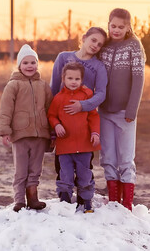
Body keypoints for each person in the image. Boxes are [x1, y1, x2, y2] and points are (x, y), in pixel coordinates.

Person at [50, 27, 108, 205]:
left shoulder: (99, 66)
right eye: (93, 40)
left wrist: (83, 105)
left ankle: (84, 198)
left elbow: (101, 93)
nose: (95, 46)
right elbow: (53, 89)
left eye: (99, 44)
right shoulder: (63, 57)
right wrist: (54, 126)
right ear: (84, 38)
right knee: (63, 165)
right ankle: (64, 198)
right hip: (63, 121)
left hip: (84, 120)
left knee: (84, 165)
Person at [99, 8, 146, 211]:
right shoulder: (105, 46)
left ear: (128, 27)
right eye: (113, 26)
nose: (116, 30)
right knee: (108, 156)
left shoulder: (134, 46)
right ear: (108, 24)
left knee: (125, 157)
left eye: (121, 27)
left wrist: (131, 110)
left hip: (125, 113)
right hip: (104, 111)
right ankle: (113, 200)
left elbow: (138, 79)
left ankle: (126, 205)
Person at [0, 44, 53, 212]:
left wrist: (51, 131)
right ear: (19, 66)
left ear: (37, 64)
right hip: (20, 135)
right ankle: (19, 200)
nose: (30, 66)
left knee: (35, 169)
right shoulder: (13, 85)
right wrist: (5, 131)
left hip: (39, 136)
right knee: (21, 170)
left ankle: (33, 198)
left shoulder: (43, 85)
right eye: (26, 63)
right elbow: (5, 109)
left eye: (33, 62)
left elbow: (50, 108)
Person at [48, 62, 101, 213]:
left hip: (84, 145)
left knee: (85, 174)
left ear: (82, 80)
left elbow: (93, 116)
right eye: (70, 78)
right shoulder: (58, 98)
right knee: (65, 174)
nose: (73, 82)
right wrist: (56, 124)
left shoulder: (87, 95)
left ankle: (86, 200)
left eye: (77, 79)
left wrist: (95, 133)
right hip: (65, 146)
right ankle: (65, 201)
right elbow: (51, 115)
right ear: (63, 78)